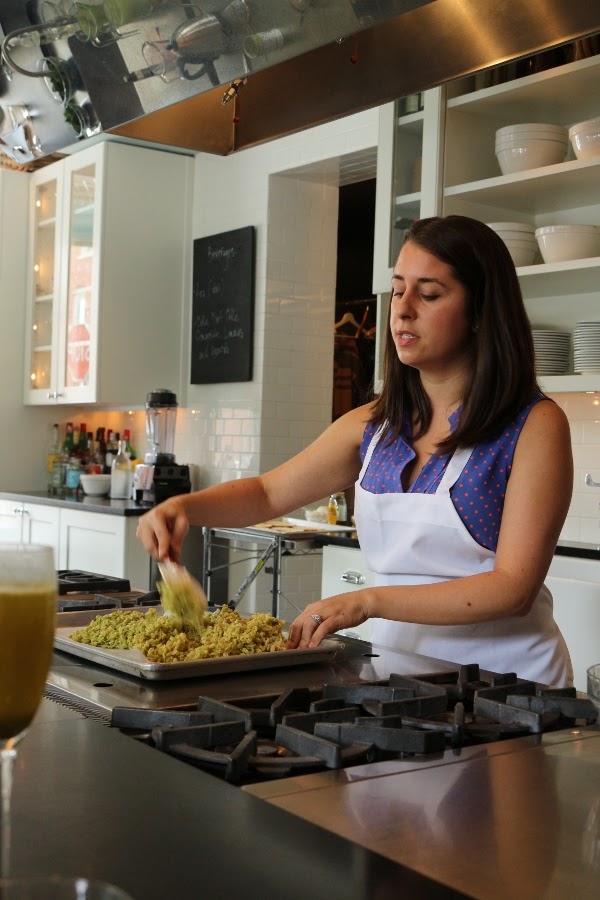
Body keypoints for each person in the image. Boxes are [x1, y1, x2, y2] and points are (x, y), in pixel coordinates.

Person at [136, 215, 573, 687]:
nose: (402, 310)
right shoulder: (375, 425)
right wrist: (183, 507)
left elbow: (513, 588)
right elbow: (266, 494)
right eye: (398, 289)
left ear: (480, 311)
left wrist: (367, 601)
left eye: (428, 294)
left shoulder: (534, 425)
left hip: (510, 688)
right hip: (398, 681)